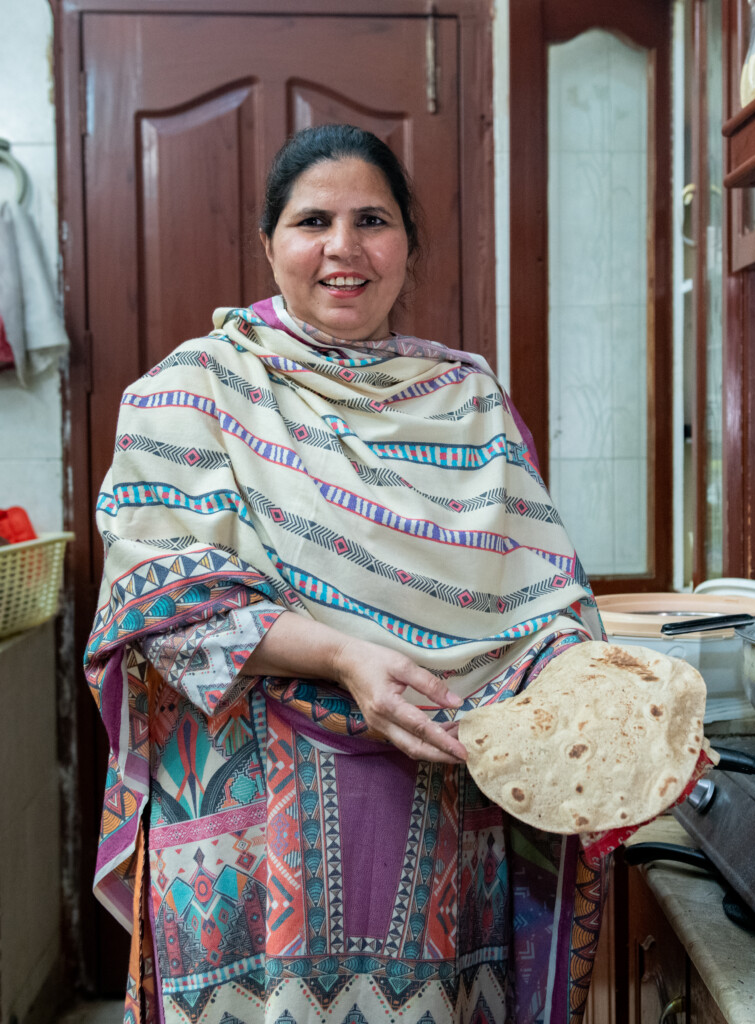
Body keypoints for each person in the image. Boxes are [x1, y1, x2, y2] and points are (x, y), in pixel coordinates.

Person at [85, 123, 607, 1024]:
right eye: (311, 220)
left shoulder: (469, 401)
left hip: (442, 806)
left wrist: (603, 691)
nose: (343, 248)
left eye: (372, 219)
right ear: (269, 244)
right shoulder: (192, 391)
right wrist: (341, 656)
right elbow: (160, 603)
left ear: (408, 244)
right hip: (249, 829)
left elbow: (541, 600)